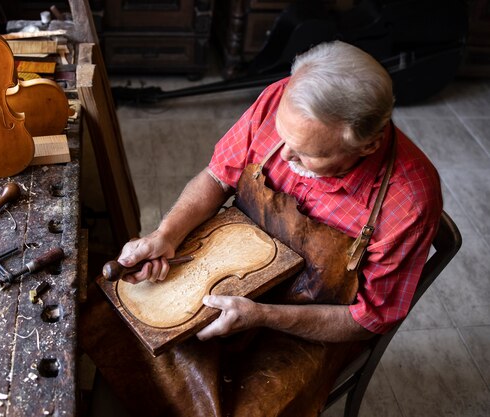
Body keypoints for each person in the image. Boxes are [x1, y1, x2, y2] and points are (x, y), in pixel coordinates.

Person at [80, 40, 443, 417]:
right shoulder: (279, 100)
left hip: (310, 320)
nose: (285, 155)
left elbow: (368, 320)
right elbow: (217, 177)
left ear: (368, 145)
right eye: (282, 137)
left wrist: (264, 315)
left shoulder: (410, 202)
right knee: (116, 320)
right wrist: (165, 235)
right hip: (235, 259)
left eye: (307, 153)